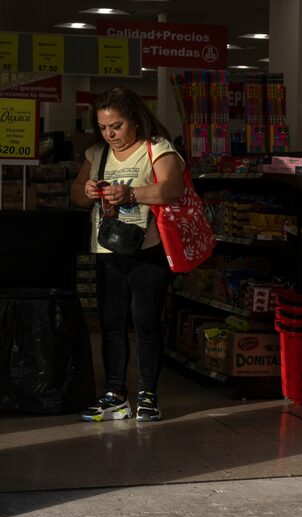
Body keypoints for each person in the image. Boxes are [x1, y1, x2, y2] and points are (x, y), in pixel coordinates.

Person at [69, 87, 185, 422]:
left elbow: (171, 189)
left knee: (147, 322)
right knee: (111, 323)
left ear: (134, 119)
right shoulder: (96, 153)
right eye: (104, 127)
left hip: (148, 250)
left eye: (116, 126)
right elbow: (75, 194)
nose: (110, 134)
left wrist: (131, 192)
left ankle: (148, 393)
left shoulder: (156, 149)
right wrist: (88, 191)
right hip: (107, 250)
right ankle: (115, 393)